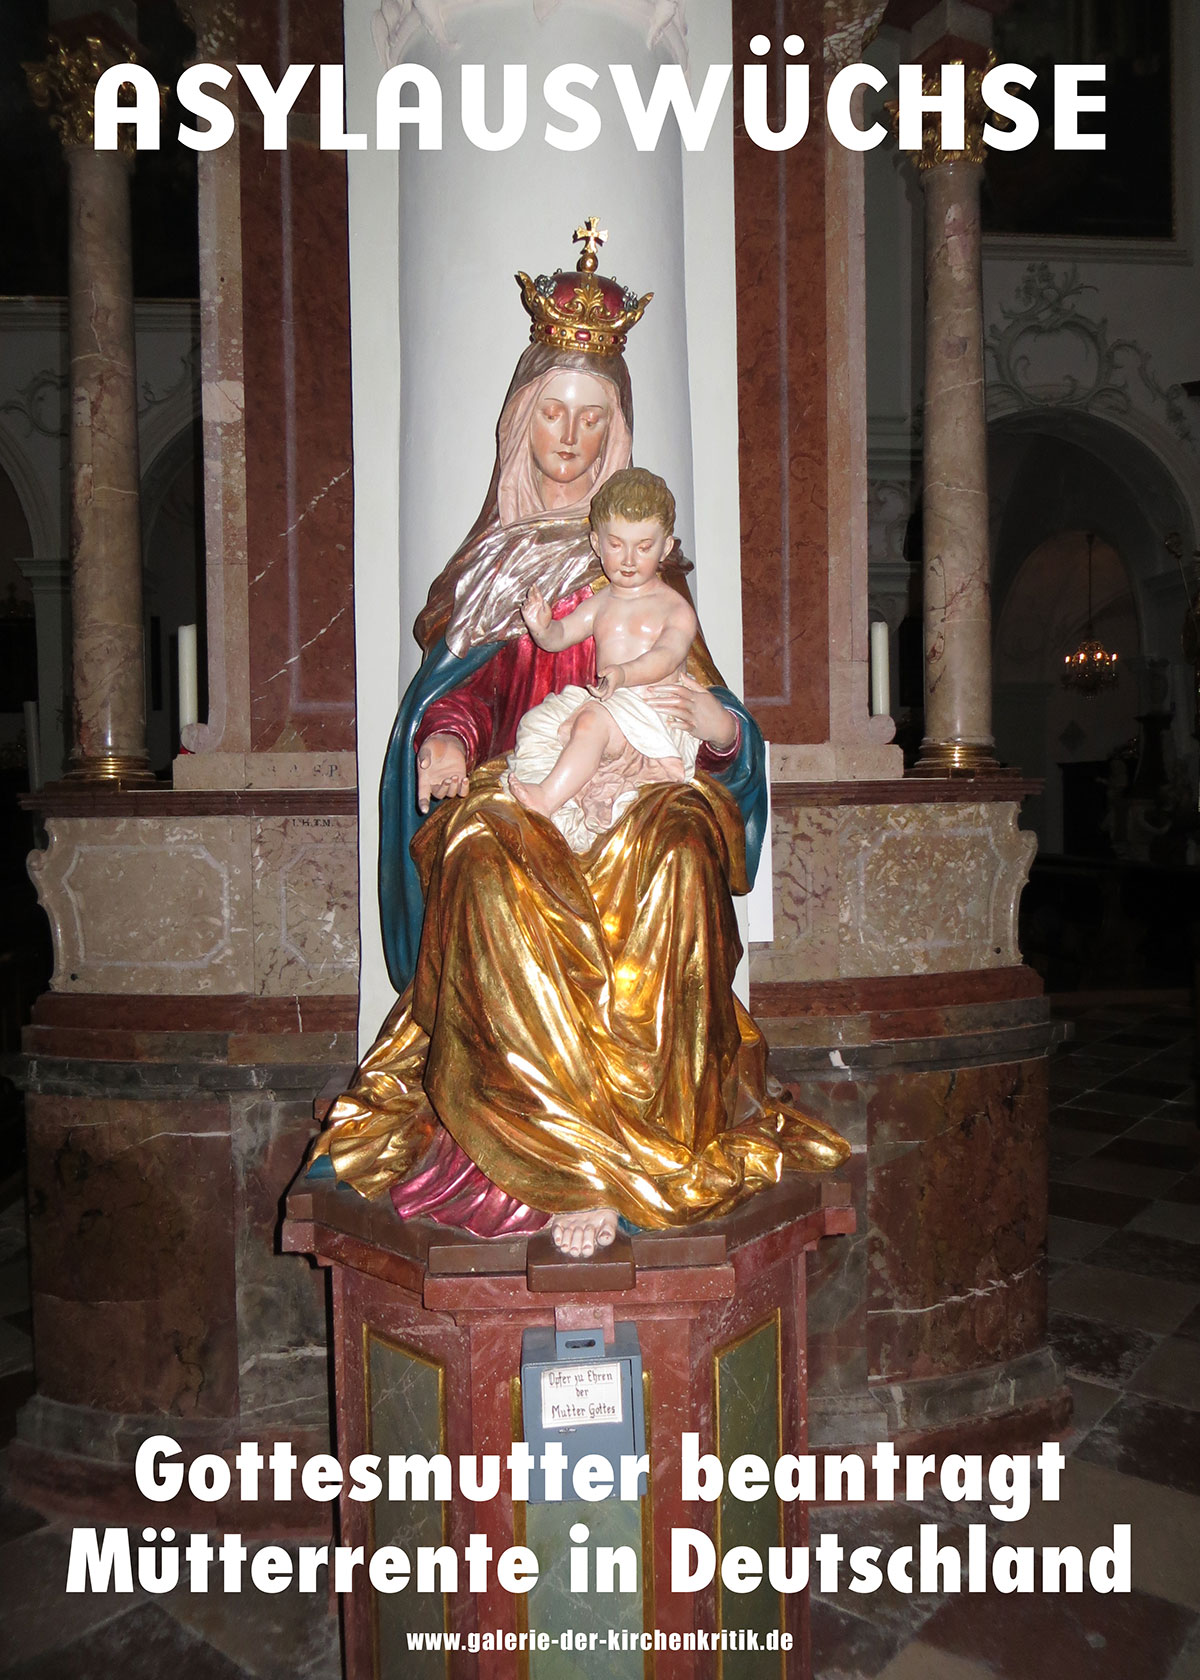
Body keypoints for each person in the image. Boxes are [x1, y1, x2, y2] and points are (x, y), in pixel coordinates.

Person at [308, 225, 848, 1258]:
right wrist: (444, 742)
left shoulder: (649, 579)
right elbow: (467, 689)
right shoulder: (491, 566)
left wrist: (721, 737)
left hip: (641, 783)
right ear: (521, 421)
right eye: (552, 412)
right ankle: (543, 1162)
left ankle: (657, 1139)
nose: (569, 435)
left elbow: (707, 710)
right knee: (482, 857)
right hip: (526, 783)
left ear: (617, 433)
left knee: (679, 853)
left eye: (592, 417)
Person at [508, 467, 702, 853]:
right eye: (616, 544)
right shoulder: (602, 603)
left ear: (666, 547)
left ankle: (547, 798)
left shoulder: (675, 609)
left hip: (653, 713)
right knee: (540, 722)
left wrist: (623, 674)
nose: (628, 559)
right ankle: (563, 795)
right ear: (596, 543)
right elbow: (560, 636)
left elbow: (666, 657)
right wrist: (542, 627)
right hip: (614, 702)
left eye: (643, 547)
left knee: (591, 721)